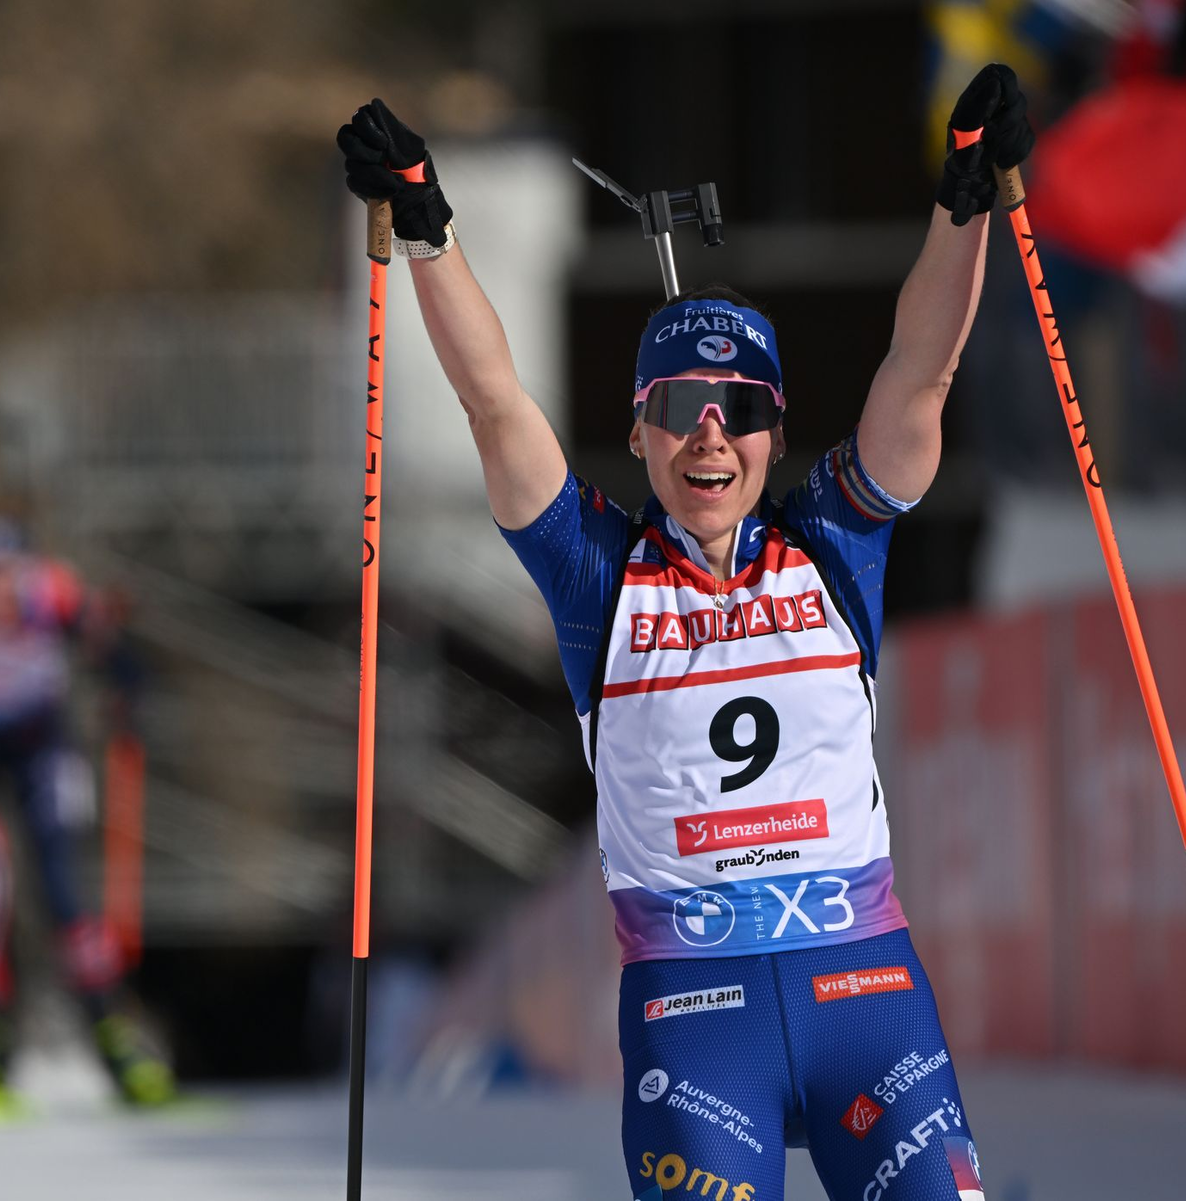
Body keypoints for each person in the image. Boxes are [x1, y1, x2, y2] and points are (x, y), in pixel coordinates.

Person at [338, 63, 1032, 1201]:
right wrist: (425, 225)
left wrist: (962, 202)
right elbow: (497, 402)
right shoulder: (596, 575)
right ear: (643, 429)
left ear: (773, 427)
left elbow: (921, 372)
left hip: (866, 999)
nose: (710, 434)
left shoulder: (834, 545)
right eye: (677, 408)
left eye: (740, 408)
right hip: (697, 1020)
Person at [0, 519, 175, 1114]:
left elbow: (101, 637)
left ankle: (117, 1045)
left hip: (43, 749)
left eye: (2, 574)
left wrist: (125, 679)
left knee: (65, 896)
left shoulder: (47, 593)